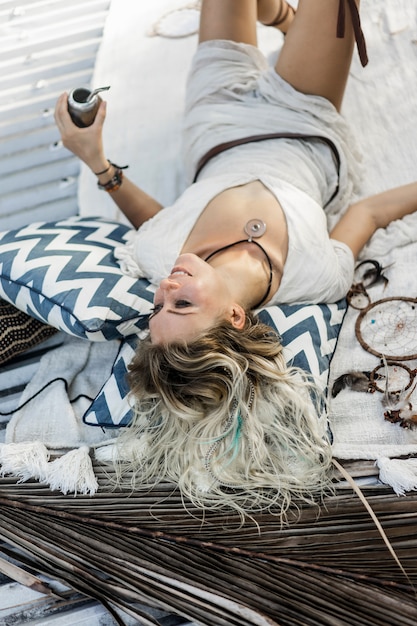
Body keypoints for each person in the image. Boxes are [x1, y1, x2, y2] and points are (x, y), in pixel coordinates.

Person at [54, 0, 417, 519]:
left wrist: (95, 159)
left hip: (216, 121)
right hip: (303, 116)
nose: (163, 289)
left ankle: (277, 16)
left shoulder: (161, 254)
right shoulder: (316, 274)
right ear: (235, 318)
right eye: (178, 304)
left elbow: (152, 219)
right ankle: (293, 26)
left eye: (156, 307)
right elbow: (371, 210)